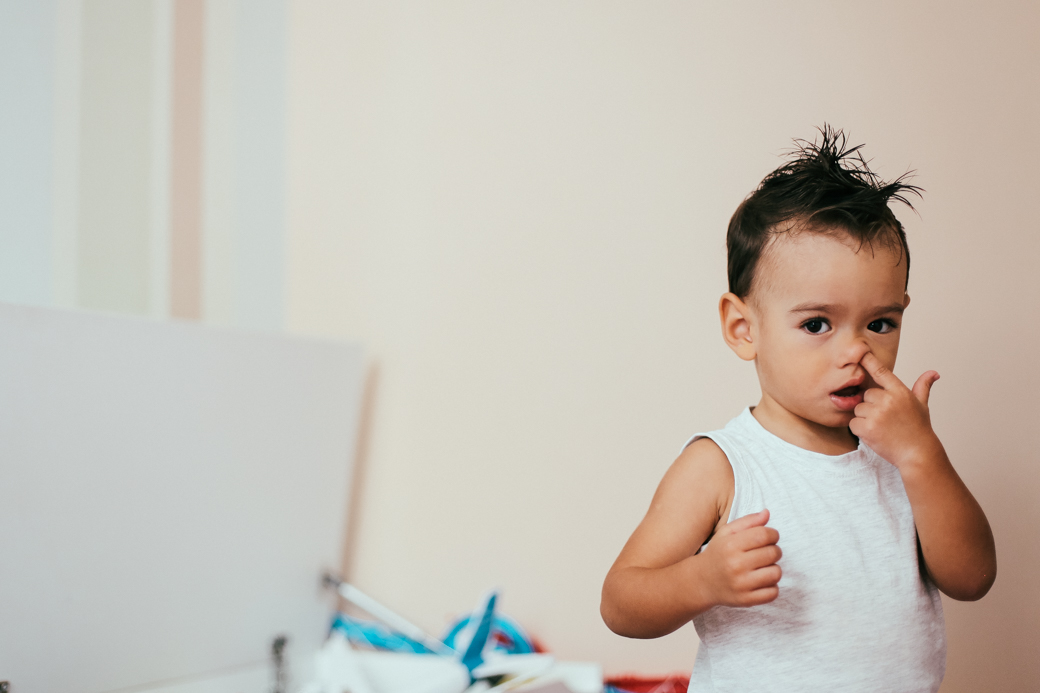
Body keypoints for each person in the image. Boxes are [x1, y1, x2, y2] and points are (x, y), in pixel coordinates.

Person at [600, 126, 996, 692]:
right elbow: (621, 602)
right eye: (816, 324)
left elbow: (972, 578)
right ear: (744, 329)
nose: (856, 350)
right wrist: (702, 578)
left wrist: (921, 456)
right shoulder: (725, 465)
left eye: (880, 322)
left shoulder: (903, 452)